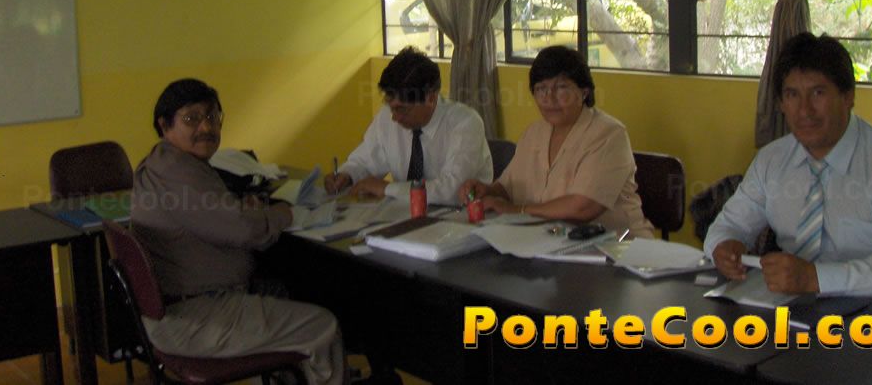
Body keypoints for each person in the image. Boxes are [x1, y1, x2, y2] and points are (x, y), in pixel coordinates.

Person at [131, 78, 345, 385]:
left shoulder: (165, 161)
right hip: (195, 317)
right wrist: (283, 214)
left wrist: (241, 208)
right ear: (164, 125)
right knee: (323, 326)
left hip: (187, 305)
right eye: (192, 119)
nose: (206, 127)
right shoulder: (178, 172)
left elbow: (214, 215)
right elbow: (244, 231)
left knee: (289, 290)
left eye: (212, 116)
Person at [705, 32, 872, 297]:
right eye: (792, 95)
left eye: (818, 93)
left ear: (848, 96)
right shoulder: (771, 161)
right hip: (800, 306)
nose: (805, 110)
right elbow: (726, 227)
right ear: (781, 104)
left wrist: (815, 278)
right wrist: (723, 247)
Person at [459, 45, 654, 238]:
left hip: (618, 246)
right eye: (541, 89)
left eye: (561, 88)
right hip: (549, 242)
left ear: (584, 92)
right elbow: (508, 188)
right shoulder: (534, 133)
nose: (549, 98)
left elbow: (583, 207)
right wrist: (487, 191)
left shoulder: (608, 134)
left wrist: (516, 210)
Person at [324, 46, 491, 205]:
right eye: (390, 106)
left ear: (430, 98)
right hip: (404, 212)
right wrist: (347, 175)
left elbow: (452, 190)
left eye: (402, 109)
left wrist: (387, 189)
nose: (395, 117)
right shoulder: (387, 117)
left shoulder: (465, 123)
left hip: (461, 215)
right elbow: (366, 160)